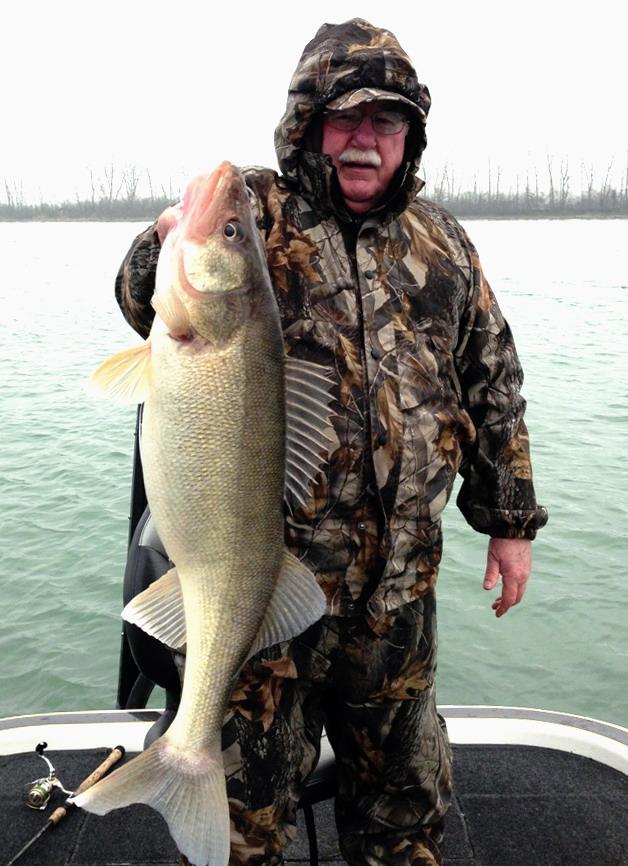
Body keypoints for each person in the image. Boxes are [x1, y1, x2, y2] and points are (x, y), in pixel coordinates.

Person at [115, 18, 547, 866]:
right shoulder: (258, 212)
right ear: (309, 122)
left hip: (397, 596)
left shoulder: (445, 242)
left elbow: (492, 379)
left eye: (387, 122)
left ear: (409, 136)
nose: (364, 138)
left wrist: (510, 520)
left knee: (405, 817)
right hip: (268, 593)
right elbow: (145, 302)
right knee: (245, 827)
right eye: (345, 117)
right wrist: (160, 246)